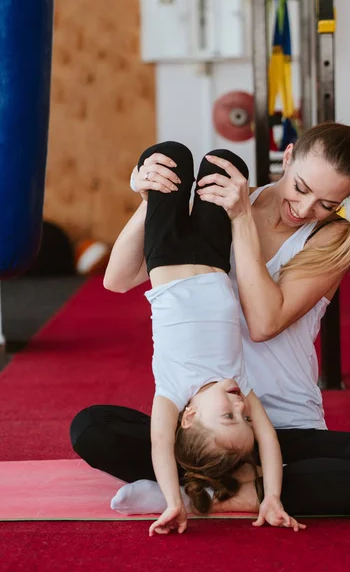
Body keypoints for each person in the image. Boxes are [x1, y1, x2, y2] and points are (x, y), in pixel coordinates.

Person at [70, 121, 350, 517]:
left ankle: (209, 494)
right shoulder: (218, 203)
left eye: (327, 203)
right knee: (92, 428)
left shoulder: (332, 237)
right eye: (301, 188)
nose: (305, 209)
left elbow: (264, 322)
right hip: (212, 429)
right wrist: (150, 200)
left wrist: (241, 221)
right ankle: (212, 480)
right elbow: (117, 280)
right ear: (287, 157)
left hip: (286, 429)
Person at [105, 141, 304, 535]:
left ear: (191, 417)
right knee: (227, 163)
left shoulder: (173, 393)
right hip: (213, 256)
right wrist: (273, 497)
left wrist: (173, 502)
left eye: (228, 416)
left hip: (167, 255)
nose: (239, 407)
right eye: (244, 418)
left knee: (168, 155)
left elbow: (160, 445)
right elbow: (269, 441)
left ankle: (148, 185)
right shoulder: (240, 387)